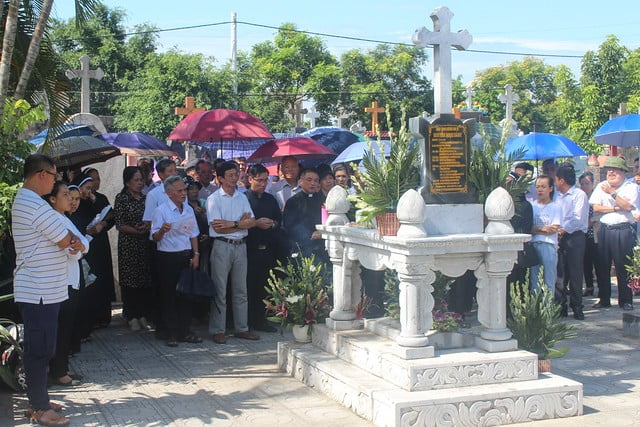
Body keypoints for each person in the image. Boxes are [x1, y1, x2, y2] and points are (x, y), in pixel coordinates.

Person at [12, 154, 82, 426]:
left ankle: (38, 398)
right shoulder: (34, 205)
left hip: (44, 288)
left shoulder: (31, 202)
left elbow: (74, 241)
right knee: (39, 350)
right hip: (38, 289)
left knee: (42, 348)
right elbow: (68, 240)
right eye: (54, 176)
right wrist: (71, 241)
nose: (55, 182)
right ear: (42, 175)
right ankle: (40, 408)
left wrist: (72, 241)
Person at [207, 161, 259, 344]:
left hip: (240, 245)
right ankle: (218, 329)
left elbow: (252, 222)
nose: (235, 177)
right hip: (222, 245)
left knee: (240, 289)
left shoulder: (242, 197)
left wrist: (232, 224)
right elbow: (217, 228)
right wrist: (239, 224)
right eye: (230, 174)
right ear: (220, 178)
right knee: (219, 290)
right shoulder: (214, 199)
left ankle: (242, 328)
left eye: (236, 174)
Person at [44, 181, 89, 388]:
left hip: (71, 277)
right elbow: (71, 249)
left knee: (67, 326)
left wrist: (81, 246)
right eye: (65, 195)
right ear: (52, 199)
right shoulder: (52, 219)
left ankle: (62, 365)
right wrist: (79, 247)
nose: (70, 199)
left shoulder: (64, 218)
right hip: (62, 280)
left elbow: (83, 243)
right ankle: (58, 371)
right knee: (60, 328)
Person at [151, 176, 202, 347]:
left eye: (184, 190)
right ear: (169, 193)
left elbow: (194, 233)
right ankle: (170, 332)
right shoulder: (161, 211)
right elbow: (154, 237)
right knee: (169, 296)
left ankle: (185, 331)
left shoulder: (188, 209)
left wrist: (196, 254)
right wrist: (163, 231)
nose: (183, 194)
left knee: (186, 295)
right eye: (179, 191)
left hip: (185, 255)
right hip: (167, 257)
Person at [589, 156, 637, 310]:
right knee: (602, 265)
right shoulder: (601, 185)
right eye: (609, 170)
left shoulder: (630, 187)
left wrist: (612, 193)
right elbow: (596, 208)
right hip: (605, 229)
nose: (611, 173)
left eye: (614, 170)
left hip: (623, 229)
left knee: (624, 266)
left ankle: (626, 300)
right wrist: (616, 207)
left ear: (622, 172)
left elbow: (628, 206)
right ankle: (604, 298)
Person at [114, 166, 153, 331]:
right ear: (127, 182)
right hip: (129, 243)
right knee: (130, 280)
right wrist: (136, 230)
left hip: (144, 243)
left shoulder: (146, 198)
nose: (139, 183)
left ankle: (142, 313)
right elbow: (119, 223)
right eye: (136, 180)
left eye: (141, 180)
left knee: (144, 278)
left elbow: (152, 216)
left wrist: (147, 226)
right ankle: (131, 315)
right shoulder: (121, 198)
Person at [245, 164, 281, 332]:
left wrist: (272, 223)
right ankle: (246, 320)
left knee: (264, 286)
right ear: (250, 179)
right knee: (248, 286)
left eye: (265, 180)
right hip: (248, 248)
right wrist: (256, 224)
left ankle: (262, 319)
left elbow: (279, 221)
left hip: (267, 248)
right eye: (259, 180)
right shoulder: (243, 198)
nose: (263, 184)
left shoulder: (270, 199)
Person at [555, 163, 589, 320]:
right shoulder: (556, 196)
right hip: (558, 236)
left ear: (561, 180)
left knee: (575, 272)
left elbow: (577, 219)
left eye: (556, 179)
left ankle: (577, 306)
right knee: (560, 273)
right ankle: (560, 305)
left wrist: (563, 230)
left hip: (574, 237)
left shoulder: (578, 195)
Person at [84, 168, 116, 328]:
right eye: (92, 180)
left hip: (101, 242)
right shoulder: (80, 200)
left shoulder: (101, 198)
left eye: (98, 179)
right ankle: (90, 317)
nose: (96, 182)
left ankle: (104, 316)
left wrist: (103, 223)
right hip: (87, 244)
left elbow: (111, 216)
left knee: (103, 275)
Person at [282, 167, 327, 263]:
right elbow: (289, 226)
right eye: (309, 180)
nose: (313, 183)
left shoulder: (323, 199)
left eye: (316, 181)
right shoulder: (293, 201)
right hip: (302, 248)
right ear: (301, 181)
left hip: (322, 247)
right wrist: (310, 234)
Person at [530, 175, 562, 293]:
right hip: (533, 245)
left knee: (549, 280)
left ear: (550, 188)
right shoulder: (532, 206)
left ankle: (548, 310)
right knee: (534, 281)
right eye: (537, 187)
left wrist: (536, 229)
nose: (540, 190)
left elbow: (553, 229)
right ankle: (535, 310)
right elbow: (529, 228)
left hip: (548, 245)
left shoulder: (556, 207)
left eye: (543, 187)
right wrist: (543, 228)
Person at [579, 172, 604, 296]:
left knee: (598, 262)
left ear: (592, 183)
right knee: (586, 262)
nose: (584, 186)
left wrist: (589, 222)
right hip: (583, 234)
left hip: (595, 233)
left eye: (587, 183)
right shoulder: (580, 197)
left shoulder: (597, 196)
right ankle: (589, 287)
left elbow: (597, 215)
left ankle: (601, 287)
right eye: (582, 183)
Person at [143, 158, 179, 224]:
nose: (174, 173)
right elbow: (149, 220)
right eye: (170, 171)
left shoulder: (182, 192)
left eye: (175, 170)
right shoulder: (153, 195)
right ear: (161, 175)